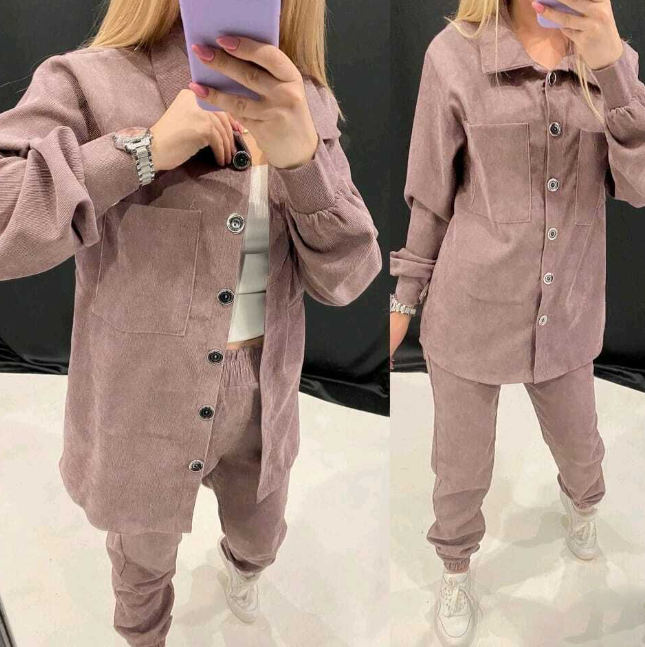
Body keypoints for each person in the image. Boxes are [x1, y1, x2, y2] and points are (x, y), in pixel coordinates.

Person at [0, 1, 381, 645]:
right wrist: (144, 151)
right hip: (141, 399)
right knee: (142, 565)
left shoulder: (304, 99)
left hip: (263, 394)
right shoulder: (88, 81)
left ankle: (243, 570)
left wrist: (303, 163)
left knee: (260, 536)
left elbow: (348, 276)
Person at [389, 0, 645, 644]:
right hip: (470, 309)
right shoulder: (453, 55)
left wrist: (613, 68)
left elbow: (640, 186)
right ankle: (455, 567)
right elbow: (430, 192)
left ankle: (583, 504)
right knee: (461, 467)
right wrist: (404, 298)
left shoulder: (611, 59)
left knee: (582, 449)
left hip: (568, 313)